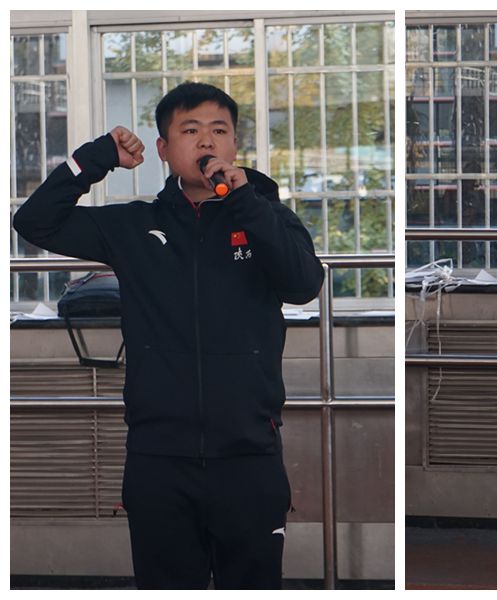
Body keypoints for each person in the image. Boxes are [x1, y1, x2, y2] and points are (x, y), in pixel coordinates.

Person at [13, 82, 324, 589]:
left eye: (219, 130)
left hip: (249, 455)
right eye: (190, 130)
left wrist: (245, 201)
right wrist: (96, 158)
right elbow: (34, 223)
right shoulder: (135, 226)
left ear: (234, 145)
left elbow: (304, 284)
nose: (206, 141)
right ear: (163, 148)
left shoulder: (267, 217)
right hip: (158, 458)